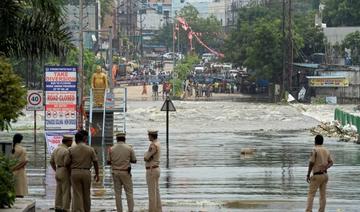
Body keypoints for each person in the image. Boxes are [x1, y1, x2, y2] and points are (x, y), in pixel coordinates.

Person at [65, 130, 99, 212]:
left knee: (77, 194)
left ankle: (78, 210)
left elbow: (66, 163)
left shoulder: (71, 149)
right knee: (86, 194)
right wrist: (97, 174)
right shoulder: (90, 149)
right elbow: (95, 162)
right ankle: (87, 210)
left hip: (75, 172)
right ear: (84, 138)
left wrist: (70, 171)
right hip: (86, 172)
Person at [107, 132, 137, 212]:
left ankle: (119, 210)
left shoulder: (111, 148)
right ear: (124, 139)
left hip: (115, 173)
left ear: (116, 139)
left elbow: (108, 162)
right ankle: (130, 210)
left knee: (118, 194)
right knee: (129, 193)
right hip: (126, 172)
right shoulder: (129, 148)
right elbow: (134, 160)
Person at [305, 134, 333, 212]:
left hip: (317, 175)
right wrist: (326, 167)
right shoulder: (326, 150)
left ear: (315, 141)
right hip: (325, 175)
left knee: (311, 194)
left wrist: (308, 174)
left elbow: (311, 163)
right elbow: (331, 162)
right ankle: (321, 210)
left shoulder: (314, 150)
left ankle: (308, 210)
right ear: (322, 142)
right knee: (323, 195)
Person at [50, 135, 73, 212]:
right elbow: (67, 163)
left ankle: (58, 206)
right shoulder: (66, 151)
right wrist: (70, 173)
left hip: (58, 170)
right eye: (71, 141)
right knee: (66, 191)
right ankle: (66, 208)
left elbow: (51, 162)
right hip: (64, 170)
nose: (72, 143)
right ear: (67, 141)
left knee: (58, 190)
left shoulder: (56, 149)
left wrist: (56, 170)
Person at [144, 130, 162, 212]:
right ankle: (158, 209)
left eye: (149, 135)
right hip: (156, 168)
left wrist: (146, 154)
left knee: (151, 193)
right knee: (156, 191)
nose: (148, 136)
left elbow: (146, 157)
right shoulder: (158, 143)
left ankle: (152, 210)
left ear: (151, 136)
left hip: (151, 169)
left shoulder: (153, 145)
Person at [10, 133, 28, 198]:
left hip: (9, 171)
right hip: (19, 172)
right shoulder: (22, 149)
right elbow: (24, 162)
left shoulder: (8, 147)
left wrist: (11, 169)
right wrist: (16, 168)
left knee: (11, 191)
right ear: (21, 140)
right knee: (19, 191)